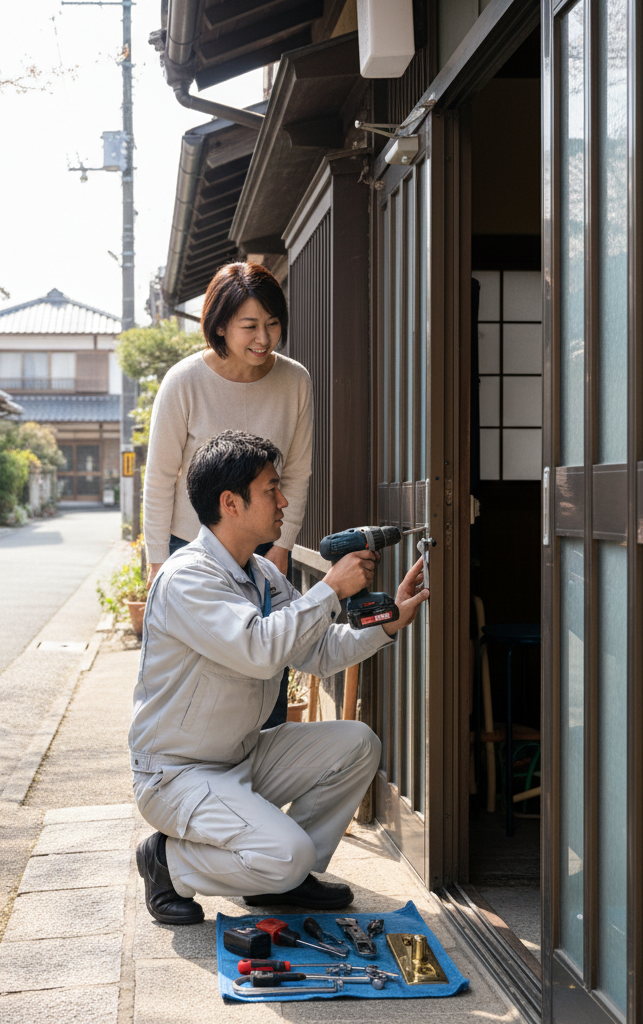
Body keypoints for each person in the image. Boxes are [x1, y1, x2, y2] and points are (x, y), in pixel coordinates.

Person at [130, 431, 429, 924]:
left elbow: (318, 651)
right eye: (271, 489)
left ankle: (277, 883)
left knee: (356, 744)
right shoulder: (188, 578)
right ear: (231, 503)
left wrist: (387, 623)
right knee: (287, 854)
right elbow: (259, 649)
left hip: (241, 756)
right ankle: (166, 862)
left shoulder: (263, 576)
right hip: (178, 774)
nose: (284, 501)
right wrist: (330, 589)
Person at [141, 262, 313, 729]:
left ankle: (265, 776)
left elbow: (295, 473)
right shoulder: (185, 381)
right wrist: (158, 562)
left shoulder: (295, 381)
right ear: (219, 325)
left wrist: (281, 547)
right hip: (190, 549)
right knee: (198, 678)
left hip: (264, 549)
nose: (264, 337)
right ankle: (194, 780)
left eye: (273, 323)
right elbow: (159, 476)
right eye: (250, 326)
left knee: (268, 670)